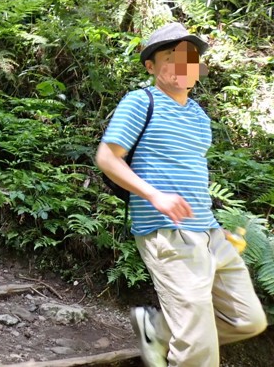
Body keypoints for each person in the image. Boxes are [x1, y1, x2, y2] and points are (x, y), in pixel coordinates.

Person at [95, 22, 266, 367]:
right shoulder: (141, 102)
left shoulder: (200, 117)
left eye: (188, 59)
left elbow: (191, 174)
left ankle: (157, 328)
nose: (181, 65)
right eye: (170, 57)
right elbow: (106, 157)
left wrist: (215, 228)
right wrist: (154, 195)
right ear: (151, 66)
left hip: (209, 232)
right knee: (199, 349)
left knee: (250, 319)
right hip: (167, 232)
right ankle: (179, 337)